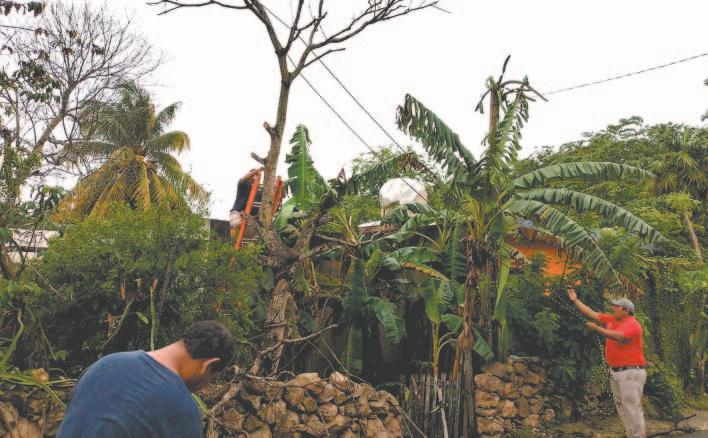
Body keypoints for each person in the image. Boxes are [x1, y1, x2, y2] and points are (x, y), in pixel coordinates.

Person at [58, 320, 235, 438]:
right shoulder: (183, 412)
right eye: (211, 378)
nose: (204, 386)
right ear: (209, 364)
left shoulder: (104, 364)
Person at [568, 288, 647, 438]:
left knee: (631, 406)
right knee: (622, 406)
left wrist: (597, 329)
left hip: (630, 372)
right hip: (616, 371)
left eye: (617, 306)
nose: (613, 308)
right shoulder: (611, 319)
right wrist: (575, 300)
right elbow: (591, 313)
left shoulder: (632, 324)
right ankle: (630, 434)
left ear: (626, 311)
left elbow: (619, 336)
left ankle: (638, 435)